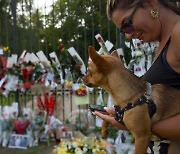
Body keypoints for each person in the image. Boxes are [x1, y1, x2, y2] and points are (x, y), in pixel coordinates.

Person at [93, 0, 180, 153]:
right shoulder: (164, 41)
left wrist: (136, 122)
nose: (128, 35)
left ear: (150, 4)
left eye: (127, 24)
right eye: (123, 30)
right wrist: (134, 114)